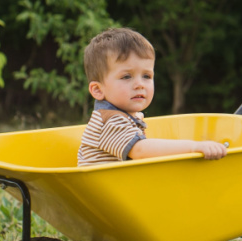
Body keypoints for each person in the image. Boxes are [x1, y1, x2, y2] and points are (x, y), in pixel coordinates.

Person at [77, 27, 228, 166]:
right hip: (102, 191)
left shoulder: (126, 117)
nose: (139, 84)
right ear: (97, 90)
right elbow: (141, 151)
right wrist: (194, 147)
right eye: (126, 77)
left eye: (146, 76)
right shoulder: (110, 120)